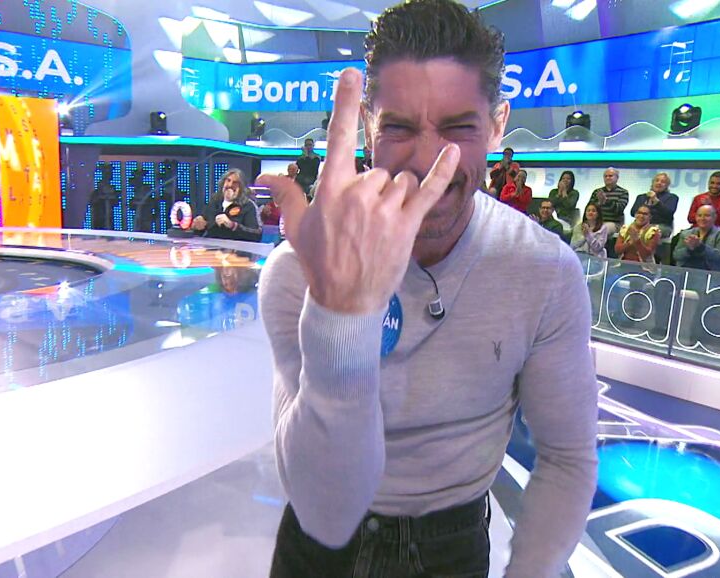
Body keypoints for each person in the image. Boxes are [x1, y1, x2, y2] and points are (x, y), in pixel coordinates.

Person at [256, 2, 598, 576]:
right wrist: (341, 316)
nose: (427, 160)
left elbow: (567, 456)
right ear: (367, 126)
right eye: (399, 127)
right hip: (319, 546)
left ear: (497, 125)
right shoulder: (299, 270)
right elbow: (327, 514)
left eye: (459, 127)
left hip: (453, 545)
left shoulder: (543, 269)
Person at [191, 168, 263, 242]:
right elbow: (203, 230)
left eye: (235, 183)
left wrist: (233, 225)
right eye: (228, 180)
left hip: (236, 248)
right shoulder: (214, 202)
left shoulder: (248, 206)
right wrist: (198, 227)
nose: (230, 185)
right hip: (212, 246)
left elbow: (257, 235)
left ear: (241, 187)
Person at [672, 205, 720, 271]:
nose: (702, 218)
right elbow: (676, 255)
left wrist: (701, 247)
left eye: (707, 215)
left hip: (711, 272)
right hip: (687, 269)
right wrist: (689, 249)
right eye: (699, 215)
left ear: (714, 217)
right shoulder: (686, 233)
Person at [630, 172, 679, 240]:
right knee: (627, 230)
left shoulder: (672, 197)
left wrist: (656, 202)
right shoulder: (641, 197)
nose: (659, 183)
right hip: (640, 224)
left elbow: (668, 214)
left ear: (667, 185)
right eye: (657, 180)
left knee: (649, 232)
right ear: (652, 183)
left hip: (662, 225)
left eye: (663, 182)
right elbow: (633, 212)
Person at [590, 167, 628, 236]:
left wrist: (606, 201)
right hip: (596, 222)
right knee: (579, 228)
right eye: (605, 176)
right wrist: (599, 203)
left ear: (617, 178)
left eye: (610, 176)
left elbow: (619, 209)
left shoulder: (623, 192)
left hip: (614, 223)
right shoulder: (597, 192)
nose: (607, 178)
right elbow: (590, 208)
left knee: (604, 228)